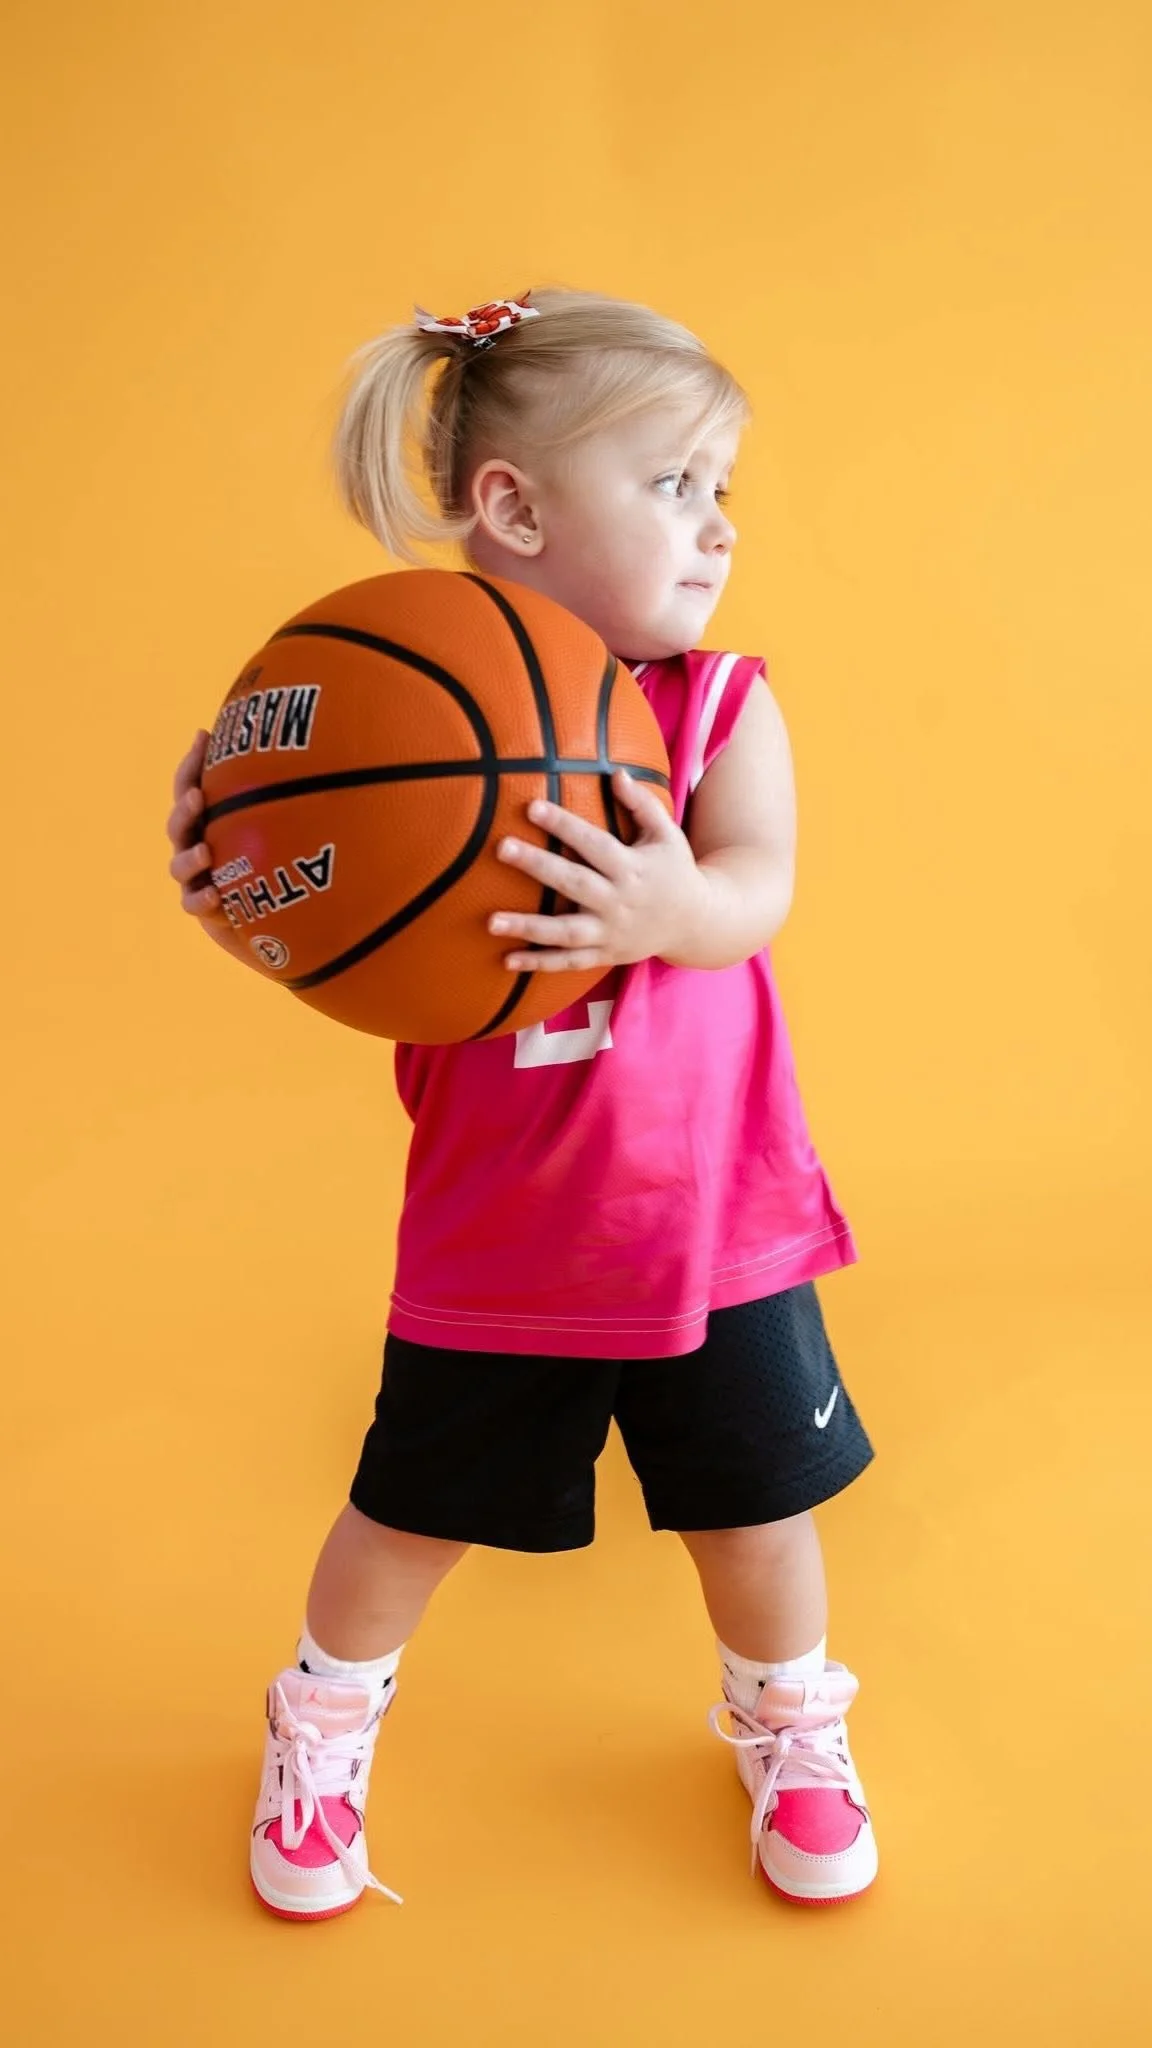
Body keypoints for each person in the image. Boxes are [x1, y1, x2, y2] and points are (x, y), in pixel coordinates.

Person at [166, 288, 879, 1922]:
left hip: (718, 1221)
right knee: (409, 1513)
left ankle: (790, 1723)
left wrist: (671, 909)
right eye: (677, 485)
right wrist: (244, 893)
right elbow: (345, 938)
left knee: (758, 1516)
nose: (721, 527)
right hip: (506, 1231)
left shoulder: (718, 705)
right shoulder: (383, 713)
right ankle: (321, 1721)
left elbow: (756, 889)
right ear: (517, 508)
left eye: (723, 489)